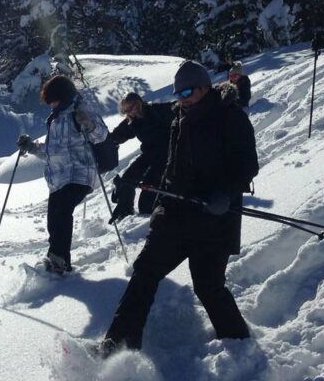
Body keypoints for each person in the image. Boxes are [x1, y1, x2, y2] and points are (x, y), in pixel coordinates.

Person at [101, 61, 258, 354]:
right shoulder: (178, 117)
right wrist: (157, 199)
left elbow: (248, 164)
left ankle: (239, 345)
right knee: (144, 273)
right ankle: (118, 345)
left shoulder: (229, 117)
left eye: (187, 91)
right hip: (175, 213)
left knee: (208, 286)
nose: (181, 97)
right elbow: (170, 163)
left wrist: (223, 194)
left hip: (214, 217)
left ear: (204, 87)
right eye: (177, 93)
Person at [16, 75, 108, 274]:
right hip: (58, 179)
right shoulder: (55, 118)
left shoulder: (79, 110)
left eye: (53, 100)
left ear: (62, 95)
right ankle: (58, 260)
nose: (51, 105)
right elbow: (51, 151)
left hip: (80, 173)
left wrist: (89, 125)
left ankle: (58, 259)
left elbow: (101, 134)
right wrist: (31, 147)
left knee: (63, 211)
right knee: (53, 219)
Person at [106, 92, 174, 222]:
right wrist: (99, 141)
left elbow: (178, 111)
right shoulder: (132, 122)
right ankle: (125, 209)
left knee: (147, 200)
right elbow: (116, 136)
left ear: (139, 103)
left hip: (167, 155)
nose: (131, 112)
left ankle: (152, 215)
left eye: (132, 108)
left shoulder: (157, 111)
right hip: (148, 155)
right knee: (127, 179)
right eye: (126, 110)